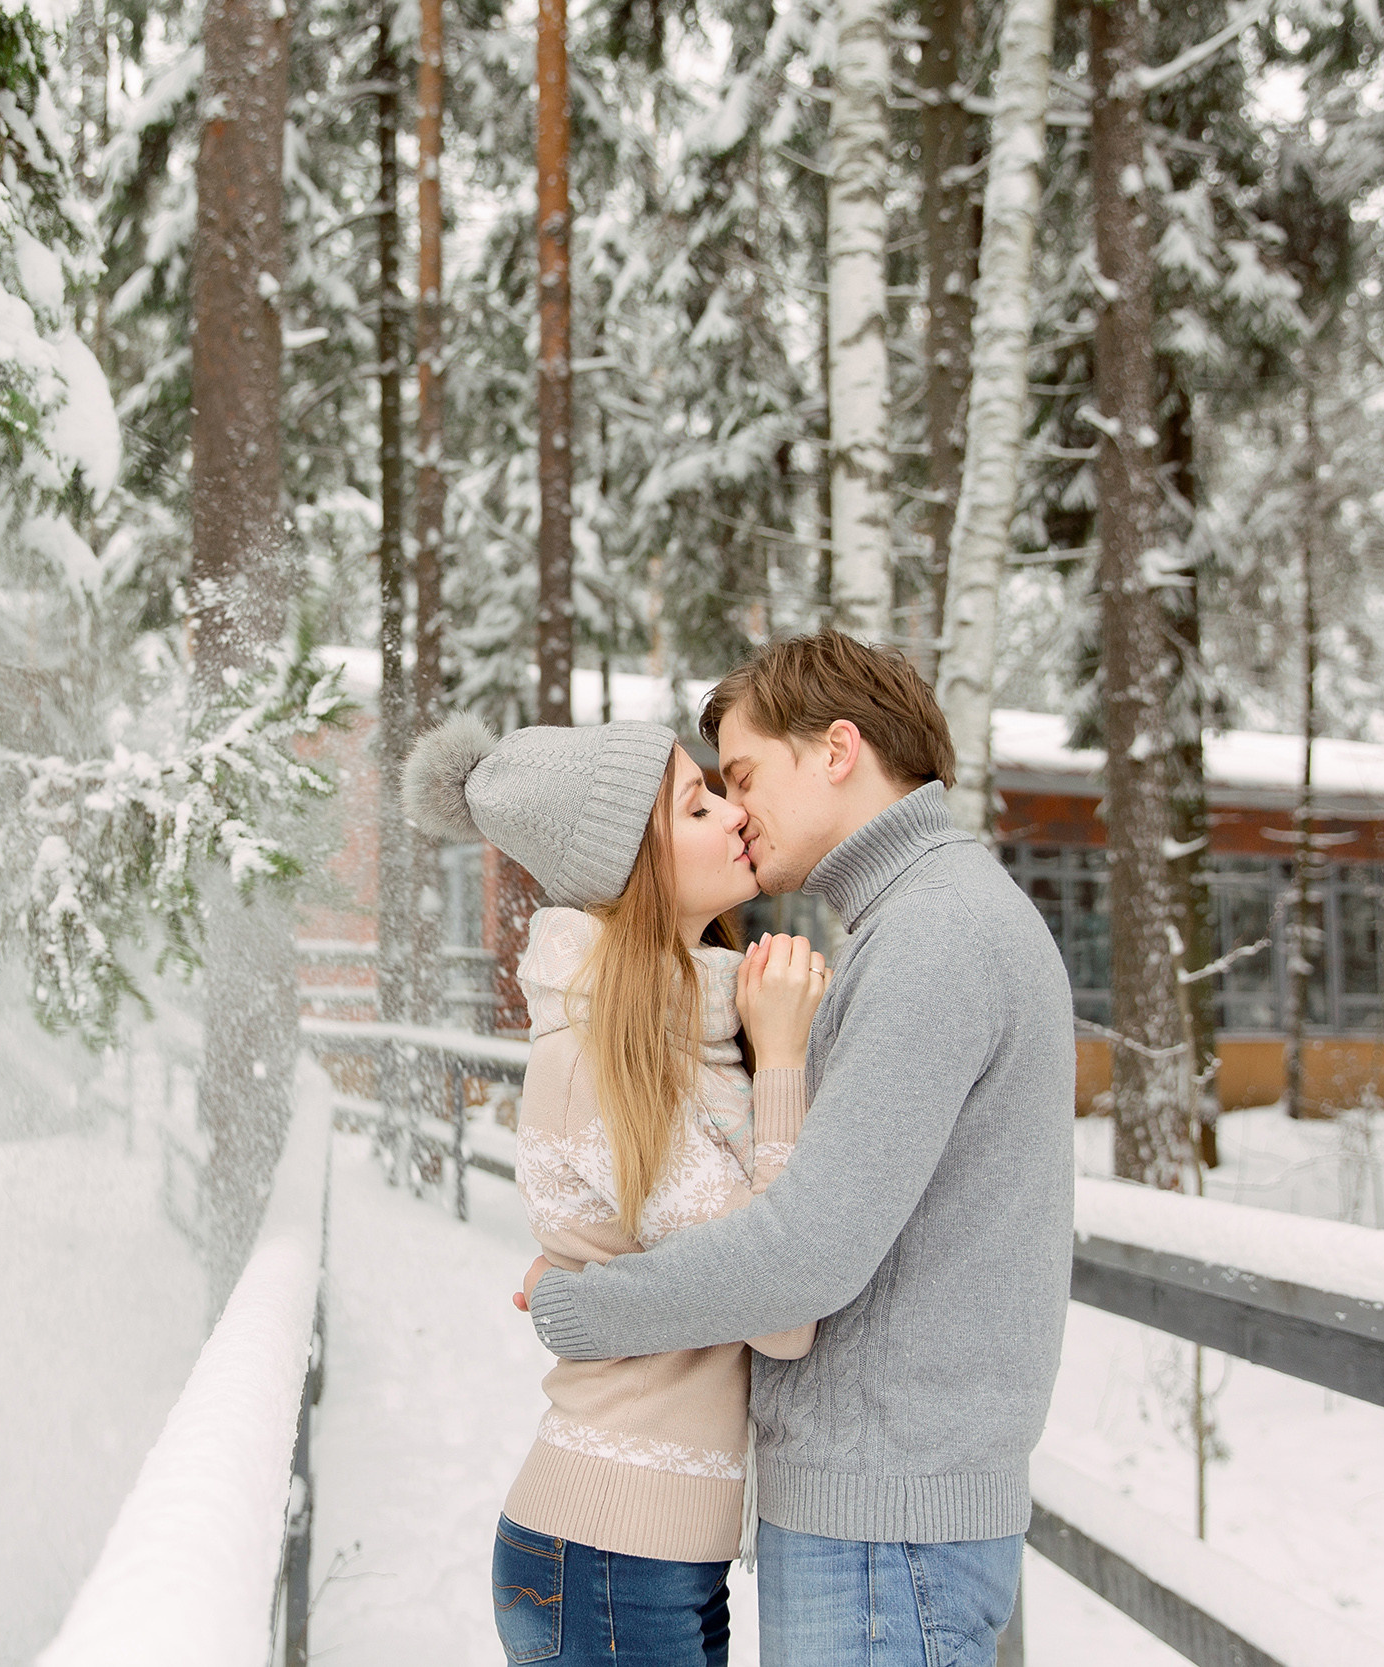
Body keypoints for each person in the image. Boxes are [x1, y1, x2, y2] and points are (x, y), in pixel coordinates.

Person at [511, 632, 1077, 1667]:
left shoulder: (935, 937)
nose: (737, 811)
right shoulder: (922, 923)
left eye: (744, 775)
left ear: (838, 750)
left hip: (884, 1519)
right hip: (879, 1509)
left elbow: (802, 1255)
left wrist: (582, 1303)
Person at [403, 713, 833, 1667]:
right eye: (697, 802)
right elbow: (782, 1308)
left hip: (652, 1555)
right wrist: (787, 1062)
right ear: (632, 865)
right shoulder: (604, 1060)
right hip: (607, 1555)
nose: (734, 812)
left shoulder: (689, 1027)